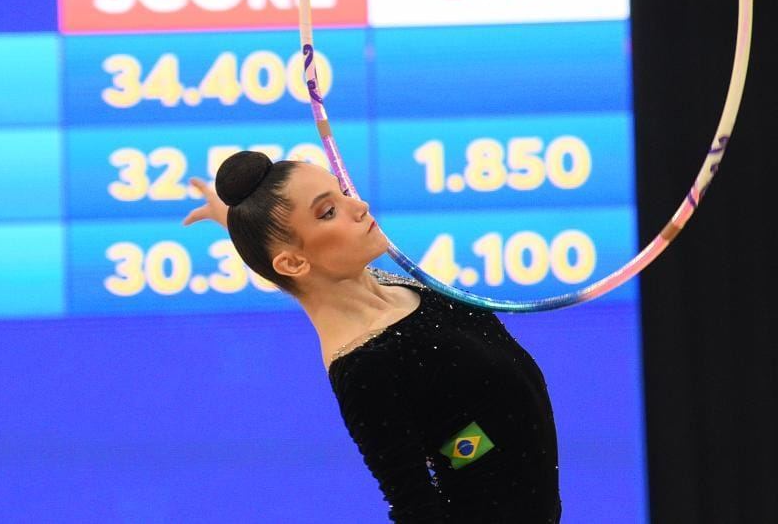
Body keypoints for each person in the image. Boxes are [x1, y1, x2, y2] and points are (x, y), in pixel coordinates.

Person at [182, 150, 563, 522]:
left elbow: (280, 252)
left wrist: (233, 220)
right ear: (294, 262)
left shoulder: (378, 283)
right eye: (328, 212)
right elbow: (414, 507)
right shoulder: (366, 368)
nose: (359, 205)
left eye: (343, 193)